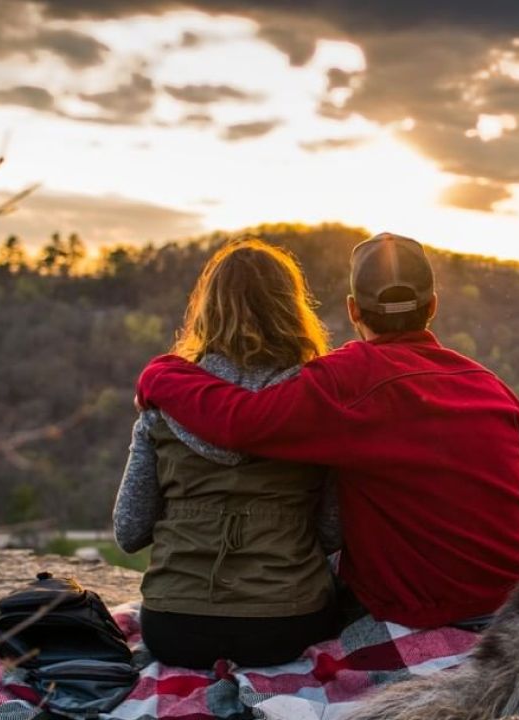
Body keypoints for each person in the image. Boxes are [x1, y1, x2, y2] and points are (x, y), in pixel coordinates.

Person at [135, 232, 519, 629]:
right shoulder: (493, 388)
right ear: (433, 305)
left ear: (353, 310)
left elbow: (239, 424)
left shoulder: (347, 381)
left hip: (430, 610)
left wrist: (161, 374)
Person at [113, 238, 342, 669]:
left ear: (208, 308)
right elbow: (333, 532)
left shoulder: (163, 408)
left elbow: (129, 531)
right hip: (287, 624)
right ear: (292, 309)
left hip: (175, 626)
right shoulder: (312, 407)